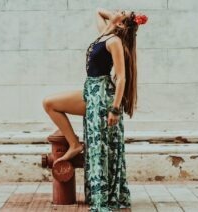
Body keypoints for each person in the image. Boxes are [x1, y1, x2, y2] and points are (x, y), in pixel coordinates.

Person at [42, 8, 147, 211]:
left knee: (100, 146)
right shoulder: (105, 33)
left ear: (122, 25)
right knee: (50, 103)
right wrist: (118, 19)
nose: (117, 11)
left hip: (102, 95)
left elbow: (122, 77)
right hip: (89, 89)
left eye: (121, 13)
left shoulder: (114, 41)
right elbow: (98, 11)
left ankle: (103, 199)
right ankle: (74, 144)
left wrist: (115, 109)